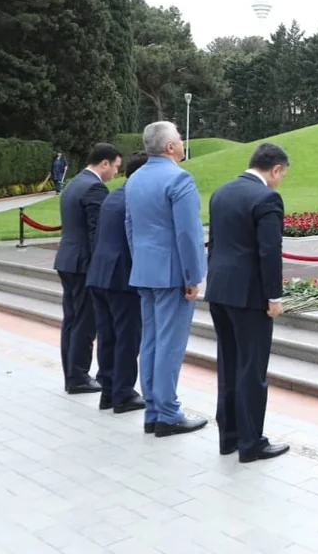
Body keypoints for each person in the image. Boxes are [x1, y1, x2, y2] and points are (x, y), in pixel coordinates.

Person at [206, 143, 291, 462]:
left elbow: (215, 243)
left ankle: (228, 436)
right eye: (282, 175)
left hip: (219, 290)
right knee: (252, 368)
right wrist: (274, 297)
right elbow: (270, 252)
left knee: (228, 363)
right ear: (276, 169)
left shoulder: (222, 192)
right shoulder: (267, 197)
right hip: (250, 295)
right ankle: (251, 441)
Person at [124, 121, 207, 437]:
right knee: (170, 345)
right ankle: (168, 413)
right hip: (172, 273)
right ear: (170, 147)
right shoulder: (179, 179)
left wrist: (141, 263)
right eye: (180, 139)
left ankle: (154, 412)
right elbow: (188, 233)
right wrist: (193, 275)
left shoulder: (135, 180)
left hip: (145, 271)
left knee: (151, 341)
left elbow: (130, 227)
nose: (183, 143)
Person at [53, 143, 122, 394]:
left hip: (67, 259)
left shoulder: (73, 183)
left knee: (71, 320)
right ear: (104, 163)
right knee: (84, 321)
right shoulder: (94, 187)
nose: (115, 172)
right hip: (83, 264)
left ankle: (72, 373)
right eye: (115, 167)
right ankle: (79, 376)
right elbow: (97, 233)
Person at [86, 151, 149, 414]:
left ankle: (109, 390)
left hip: (100, 273)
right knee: (127, 336)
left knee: (108, 335)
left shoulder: (114, 195)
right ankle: (123, 393)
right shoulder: (136, 198)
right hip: (121, 277)